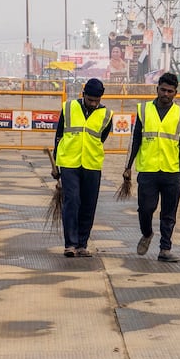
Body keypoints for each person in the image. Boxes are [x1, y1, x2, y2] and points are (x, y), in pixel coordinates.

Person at [123, 70, 180, 262]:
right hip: (148, 170)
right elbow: (135, 140)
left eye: (170, 91)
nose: (165, 94)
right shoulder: (144, 110)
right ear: (157, 89)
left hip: (171, 171)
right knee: (145, 208)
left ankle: (165, 249)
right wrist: (128, 166)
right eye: (163, 90)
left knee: (169, 213)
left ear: (175, 93)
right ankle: (147, 233)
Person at [51, 77, 112, 257]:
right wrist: (56, 164)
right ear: (83, 94)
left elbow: (102, 138)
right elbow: (59, 135)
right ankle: (70, 244)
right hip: (69, 163)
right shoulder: (69, 108)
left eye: (96, 100)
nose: (93, 103)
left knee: (88, 204)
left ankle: (82, 244)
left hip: (92, 164)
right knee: (72, 201)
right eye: (90, 99)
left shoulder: (107, 115)